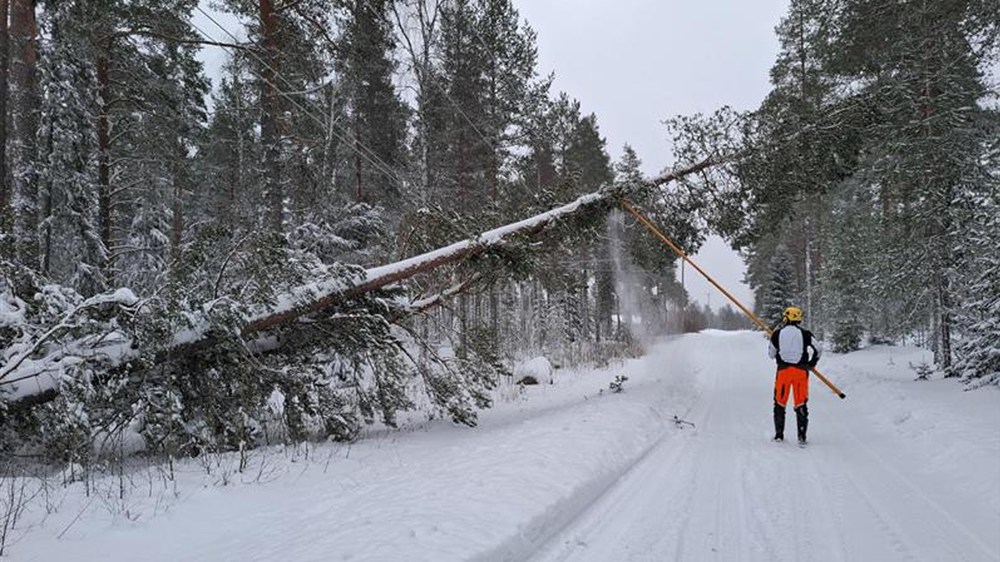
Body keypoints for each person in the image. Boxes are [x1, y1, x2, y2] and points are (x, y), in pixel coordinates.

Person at [768, 306, 821, 443]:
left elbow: (771, 355)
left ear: (786, 317)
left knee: (779, 403)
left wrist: (775, 342)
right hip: (801, 373)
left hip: (783, 372)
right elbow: (818, 349)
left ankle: (779, 435)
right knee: (801, 403)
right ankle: (802, 437)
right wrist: (812, 363)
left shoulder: (777, 333)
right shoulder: (806, 334)